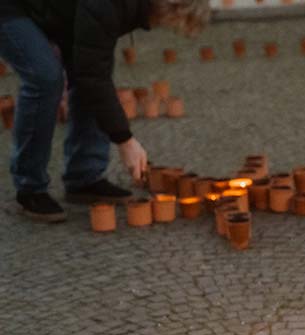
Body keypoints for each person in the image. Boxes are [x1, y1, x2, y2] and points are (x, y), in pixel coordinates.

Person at [0, 0, 210, 222]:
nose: (168, 28)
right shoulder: (109, 5)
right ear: (171, 8)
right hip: (11, 8)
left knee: (93, 74)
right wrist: (125, 140)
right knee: (46, 79)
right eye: (175, 23)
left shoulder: (131, 7)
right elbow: (94, 77)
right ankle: (30, 187)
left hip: (56, 13)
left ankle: (84, 176)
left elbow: (92, 70)